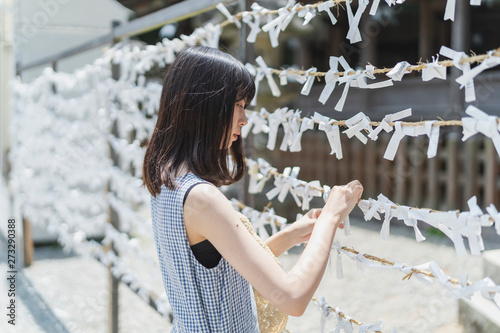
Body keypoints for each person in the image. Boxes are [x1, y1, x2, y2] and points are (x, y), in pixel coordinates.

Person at [143, 46, 363, 332]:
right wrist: (332, 217)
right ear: (206, 104)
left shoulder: (166, 177)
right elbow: (292, 298)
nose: (244, 119)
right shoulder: (201, 197)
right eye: (238, 105)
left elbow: (224, 263)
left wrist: (289, 236)